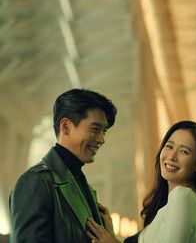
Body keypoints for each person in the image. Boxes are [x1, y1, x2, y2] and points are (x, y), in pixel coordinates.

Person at [86, 121, 196, 243]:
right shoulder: (180, 201)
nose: (171, 156)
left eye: (184, 151)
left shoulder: (183, 197)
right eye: (169, 146)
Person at [9, 88, 117, 243]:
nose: (101, 139)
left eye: (104, 131)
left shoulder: (82, 185)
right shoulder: (35, 183)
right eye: (95, 129)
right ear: (66, 127)